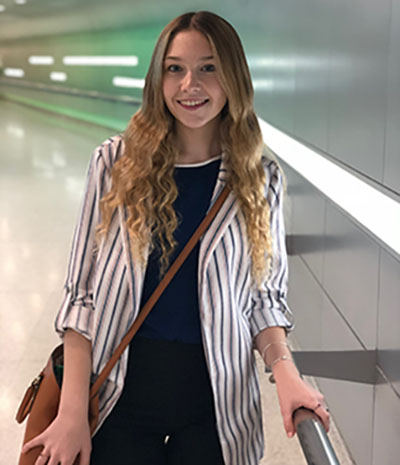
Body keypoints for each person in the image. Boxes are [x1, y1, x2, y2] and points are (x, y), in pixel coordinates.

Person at [22, 10, 330, 465]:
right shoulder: (114, 165)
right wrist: (71, 413)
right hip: (119, 393)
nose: (191, 84)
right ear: (158, 79)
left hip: (216, 402)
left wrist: (286, 373)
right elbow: (81, 297)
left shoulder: (259, 178)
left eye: (209, 68)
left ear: (233, 79)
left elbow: (266, 300)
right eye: (175, 69)